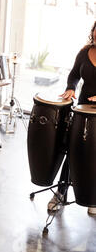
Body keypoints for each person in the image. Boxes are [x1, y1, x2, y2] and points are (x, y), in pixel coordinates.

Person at [49, 20, 96, 215]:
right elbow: (74, 75)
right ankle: (61, 193)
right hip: (82, 111)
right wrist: (70, 88)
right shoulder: (84, 52)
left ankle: (93, 198)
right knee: (72, 150)